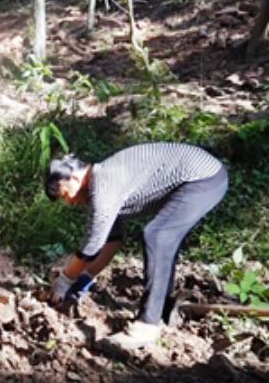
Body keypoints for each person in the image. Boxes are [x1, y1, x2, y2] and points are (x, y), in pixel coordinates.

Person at [45, 142, 228, 350]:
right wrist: (85, 278)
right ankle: (162, 309)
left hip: (204, 179)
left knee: (158, 235)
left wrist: (66, 280)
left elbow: (92, 244)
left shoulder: (104, 186)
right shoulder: (104, 184)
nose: (69, 202)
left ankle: (147, 326)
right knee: (162, 237)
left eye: (65, 194)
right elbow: (112, 242)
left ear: (75, 178)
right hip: (200, 178)